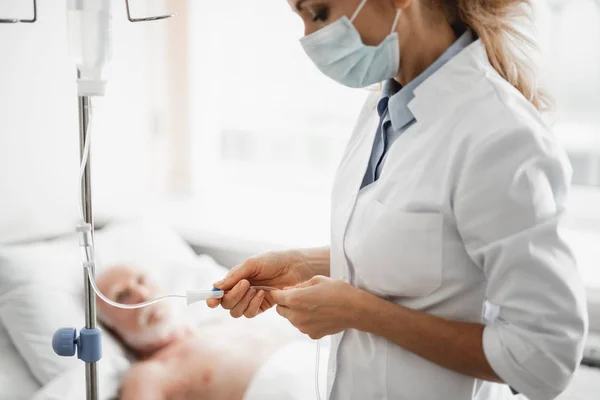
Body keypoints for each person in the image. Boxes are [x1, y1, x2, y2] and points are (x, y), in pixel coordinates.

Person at [207, 0, 589, 399]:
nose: (308, 37)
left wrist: (357, 312)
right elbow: (428, 251)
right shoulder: (385, 106)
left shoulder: (501, 136)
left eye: (318, 13)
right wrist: (304, 264)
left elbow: (544, 358)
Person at [95, 265, 301, 400]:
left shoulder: (222, 324)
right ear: (113, 328)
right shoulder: (147, 375)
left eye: (141, 280)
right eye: (123, 295)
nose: (142, 294)